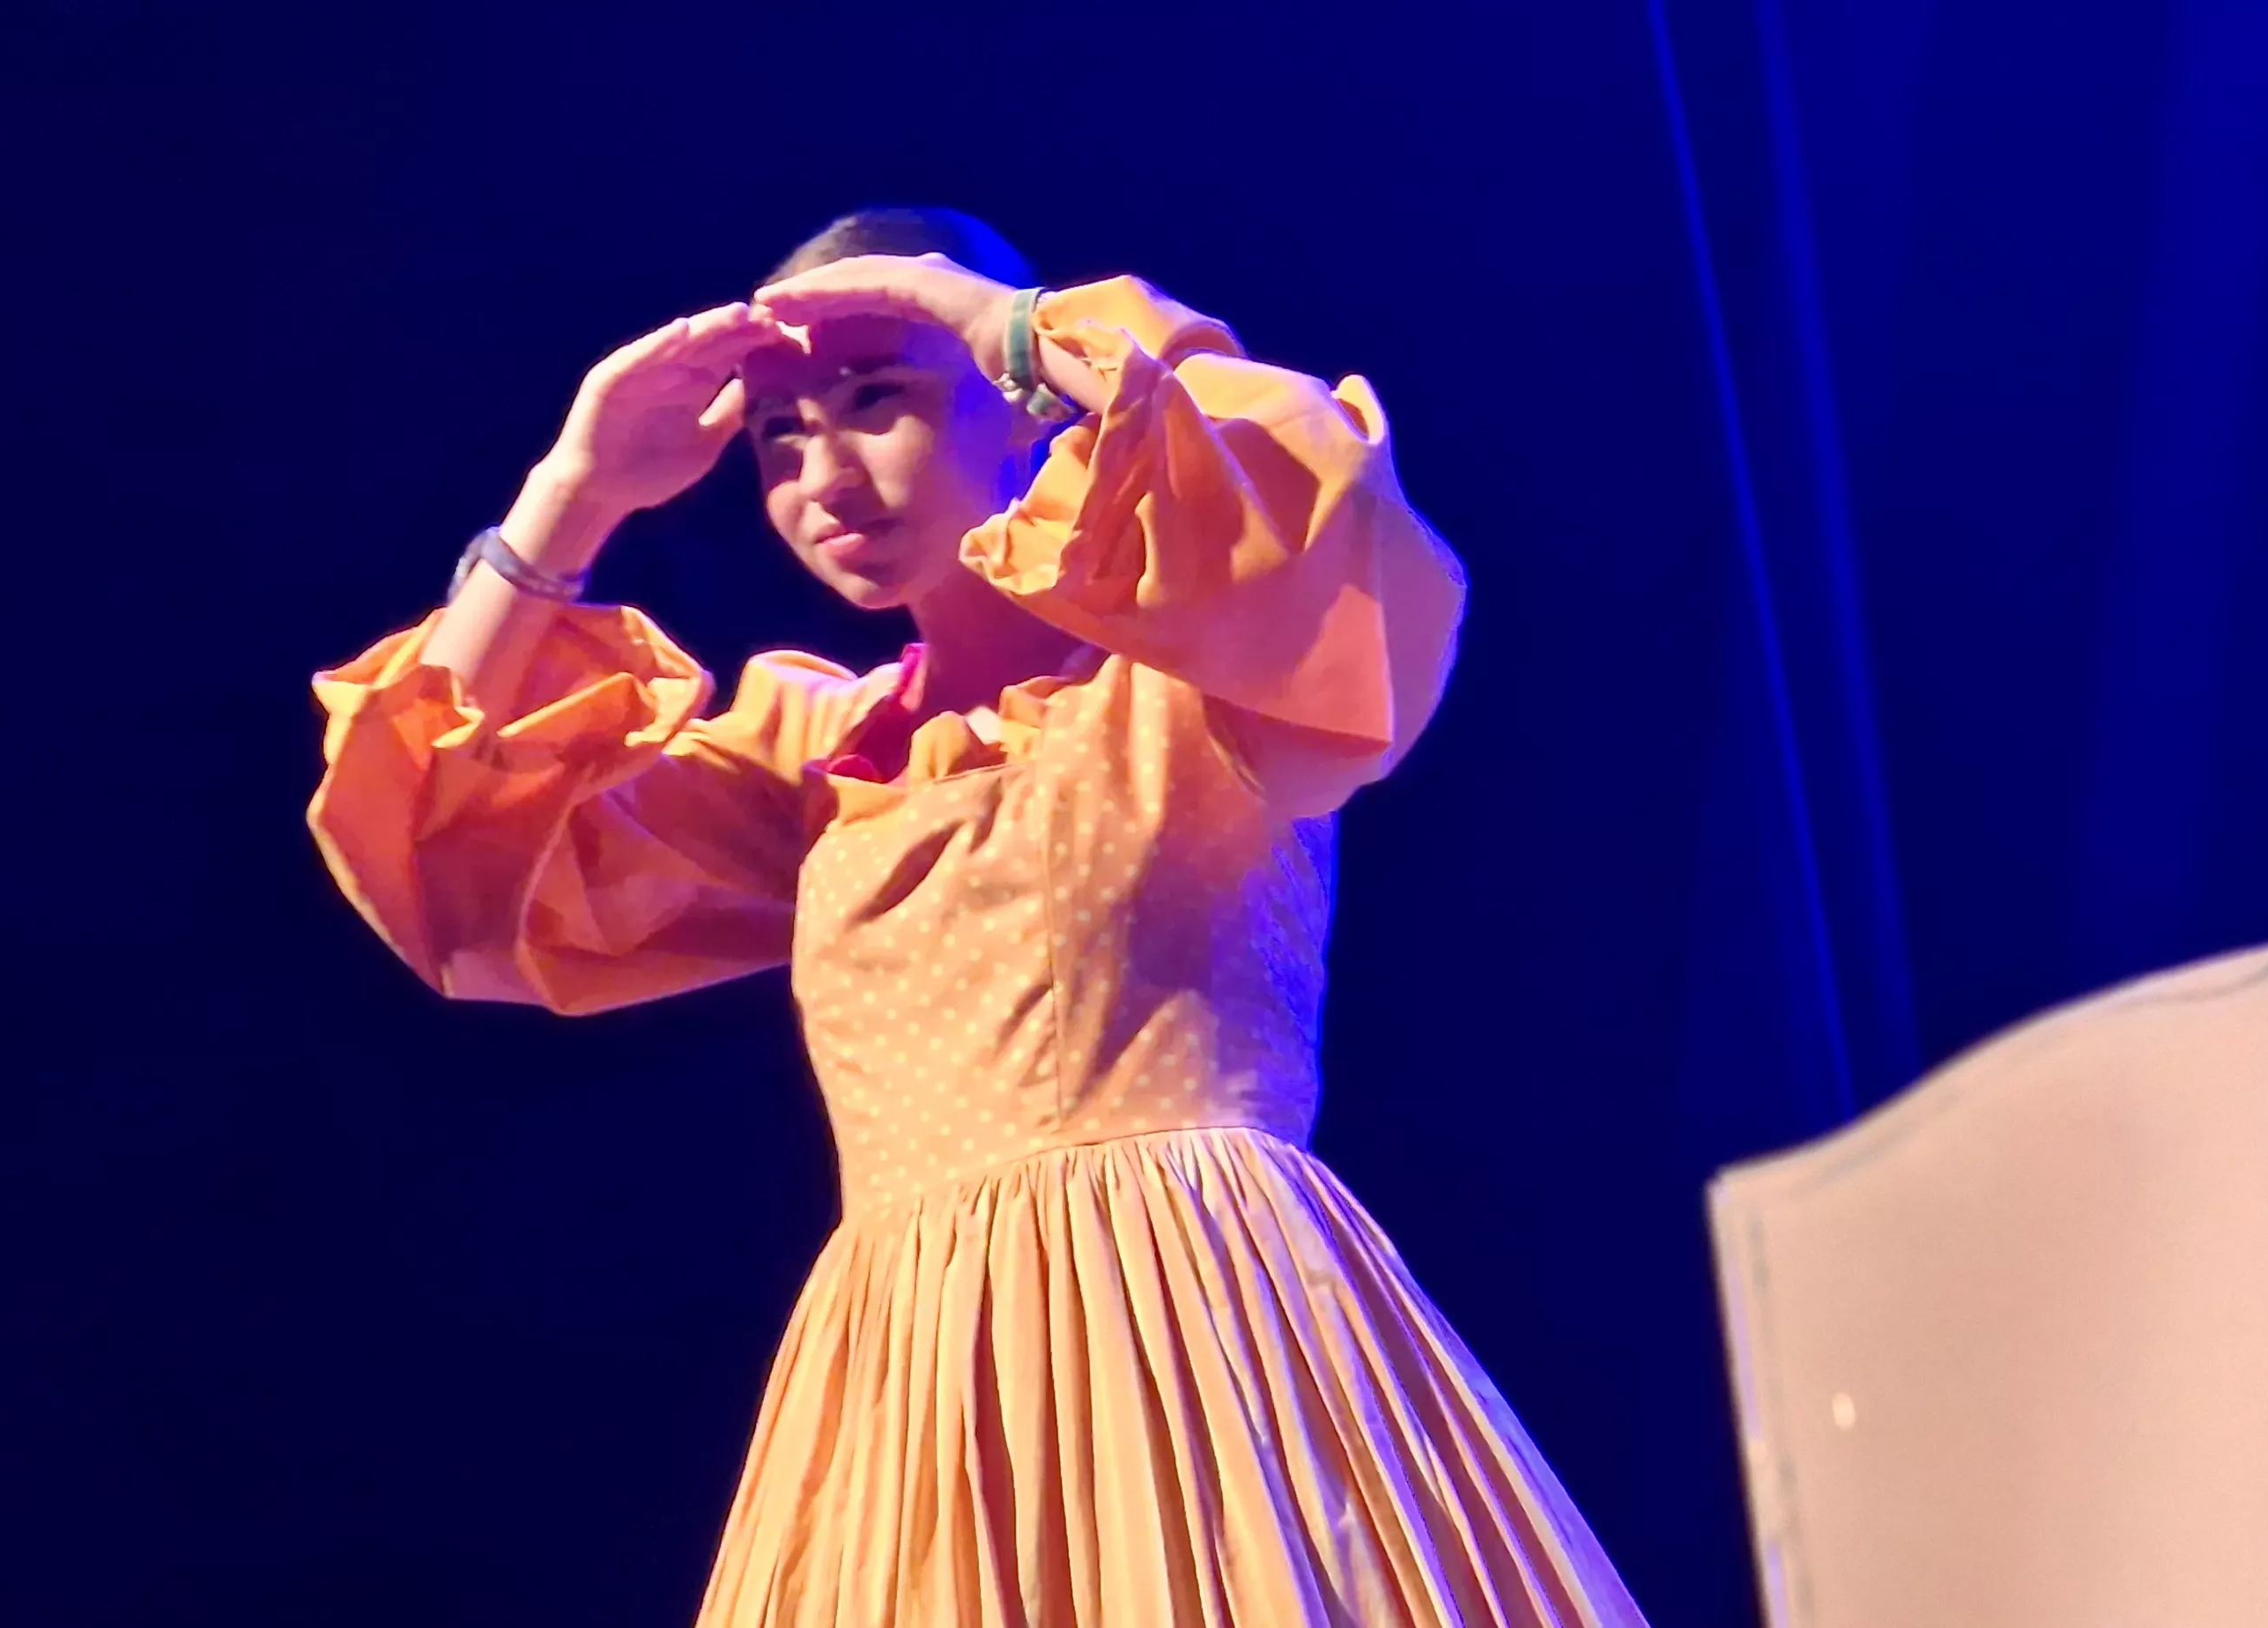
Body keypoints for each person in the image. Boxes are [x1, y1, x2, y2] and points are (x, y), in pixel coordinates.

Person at [309, 208, 1647, 1627]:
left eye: (878, 403)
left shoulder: (1194, 675)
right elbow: (438, 853)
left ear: (1016, 402)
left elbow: (1325, 512)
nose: (825, 477)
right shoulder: (820, 759)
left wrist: (1009, 322)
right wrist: (570, 496)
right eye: (779, 439)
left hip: (1191, 1320)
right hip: (917, 1375)